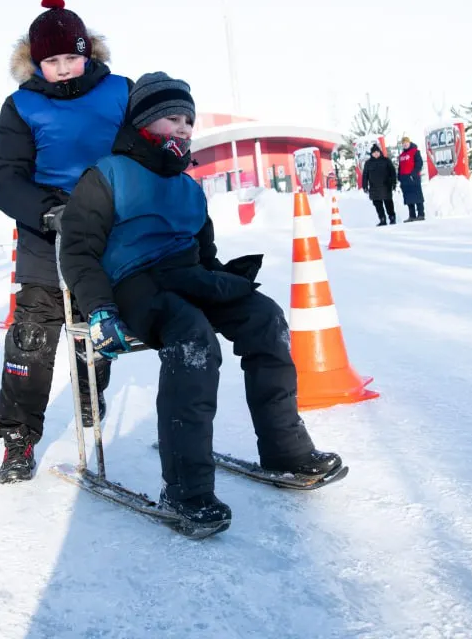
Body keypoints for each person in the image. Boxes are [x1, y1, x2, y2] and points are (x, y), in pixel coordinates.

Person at [58, 73, 341, 532]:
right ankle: (186, 488)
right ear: (144, 121)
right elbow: (78, 252)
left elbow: (203, 253)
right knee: (192, 338)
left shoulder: (188, 186)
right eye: (172, 118)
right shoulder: (106, 175)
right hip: (133, 285)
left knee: (265, 317)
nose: (184, 128)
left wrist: (224, 278)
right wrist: (99, 310)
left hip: (186, 276)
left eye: (188, 120)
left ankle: (285, 448)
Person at [0, 0, 133, 483]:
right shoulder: (21, 106)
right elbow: (2, 176)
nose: (64, 69)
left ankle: (91, 390)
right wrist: (48, 211)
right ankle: (18, 439)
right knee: (31, 338)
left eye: (71, 57)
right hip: (45, 236)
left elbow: (144, 148)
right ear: (36, 63)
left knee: (98, 324)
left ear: (88, 53)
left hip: (108, 232)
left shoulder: (121, 92)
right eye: (52, 61)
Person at [361, 144, 397, 225]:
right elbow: (365, 175)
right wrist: (364, 186)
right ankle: (382, 219)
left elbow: (392, 172)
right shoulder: (368, 163)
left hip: (386, 186)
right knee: (378, 205)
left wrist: (394, 183)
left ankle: (392, 218)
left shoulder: (386, 160)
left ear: (380, 152)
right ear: (371, 153)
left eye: (377, 152)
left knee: (389, 204)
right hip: (374, 188)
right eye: (374, 152)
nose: (376, 153)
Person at [397, 136, 426, 221]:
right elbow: (400, 167)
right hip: (405, 179)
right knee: (409, 198)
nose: (405, 144)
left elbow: (419, 163)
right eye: (403, 143)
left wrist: (413, 174)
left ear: (409, 142)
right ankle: (412, 216)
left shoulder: (415, 151)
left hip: (413, 178)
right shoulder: (401, 155)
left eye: (406, 142)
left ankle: (421, 214)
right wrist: (399, 176)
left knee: (417, 196)